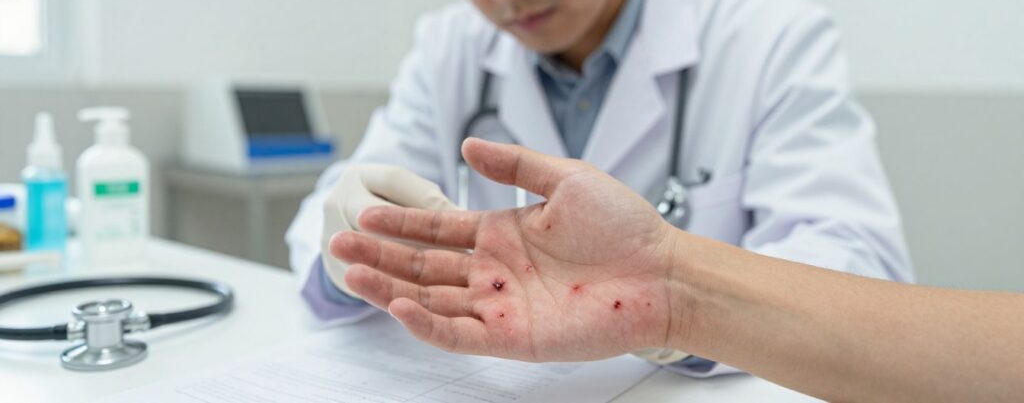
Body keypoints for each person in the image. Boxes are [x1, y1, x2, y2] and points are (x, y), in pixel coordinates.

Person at [286, 0, 913, 374]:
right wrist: (346, 253)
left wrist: (676, 305)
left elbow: (857, 271)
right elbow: (338, 217)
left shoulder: (771, 38)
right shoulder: (447, 49)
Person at [332, 138, 1024, 403]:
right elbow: (333, 196)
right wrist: (342, 234)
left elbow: (855, 252)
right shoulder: (449, 40)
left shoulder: (763, 30)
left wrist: (672, 289)